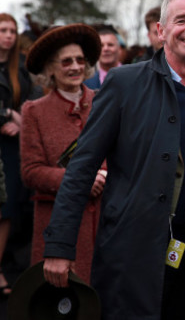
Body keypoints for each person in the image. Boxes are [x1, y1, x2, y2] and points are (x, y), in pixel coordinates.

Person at [41, 0, 185, 320]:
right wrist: (59, 247)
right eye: (181, 19)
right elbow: (82, 167)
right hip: (131, 251)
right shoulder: (124, 83)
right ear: (161, 30)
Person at [20, 24, 105, 283]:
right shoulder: (34, 111)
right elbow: (31, 172)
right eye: (66, 61)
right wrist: (78, 180)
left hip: (106, 221)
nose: (75, 67)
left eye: (80, 60)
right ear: (50, 68)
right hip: (58, 225)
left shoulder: (105, 101)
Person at [0, 12, 36, 297]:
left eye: (12, 30)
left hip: (12, 148)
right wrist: (5, 116)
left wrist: (18, 120)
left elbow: (28, 104)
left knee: (7, 208)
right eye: (3, 30)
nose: (9, 35)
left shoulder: (19, 69)